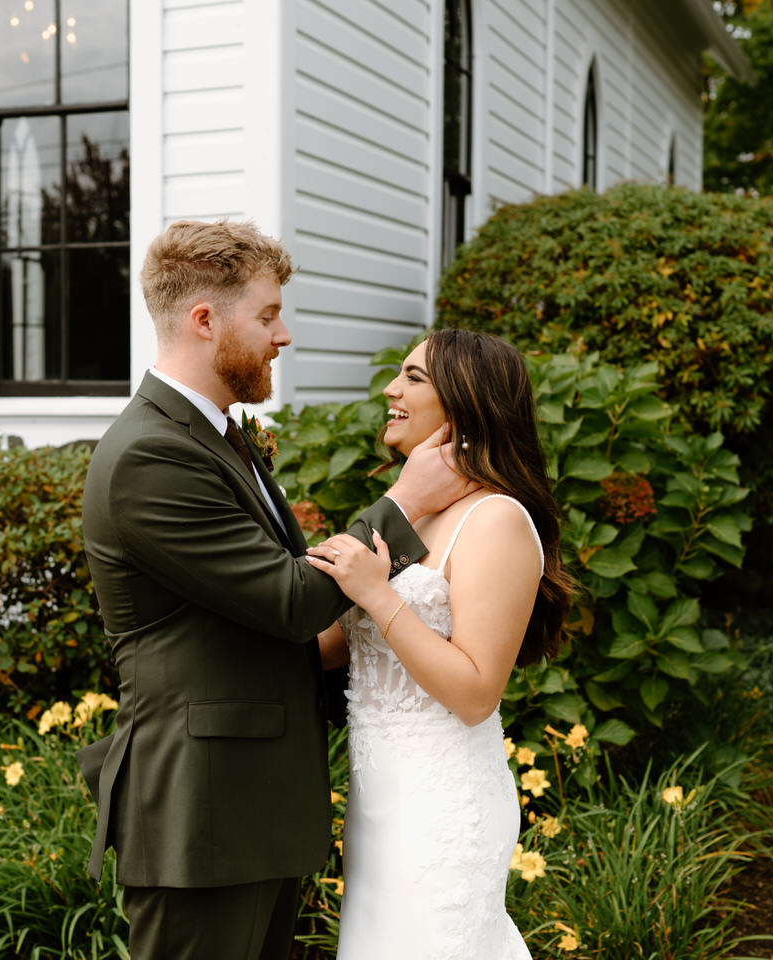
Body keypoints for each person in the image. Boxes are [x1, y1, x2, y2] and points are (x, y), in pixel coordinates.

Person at [77, 220, 474, 960]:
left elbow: (259, 619)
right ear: (204, 320)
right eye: (266, 315)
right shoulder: (149, 456)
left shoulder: (216, 435)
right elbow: (292, 600)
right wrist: (406, 501)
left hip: (249, 808)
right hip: (202, 813)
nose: (282, 334)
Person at [306, 327, 574, 960]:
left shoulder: (497, 519)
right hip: (379, 805)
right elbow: (324, 644)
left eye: (414, 379)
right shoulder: (414, 511)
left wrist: (378, 594)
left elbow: (477, 692)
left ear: (467, 403)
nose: (391, 390)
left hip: (442, 806)